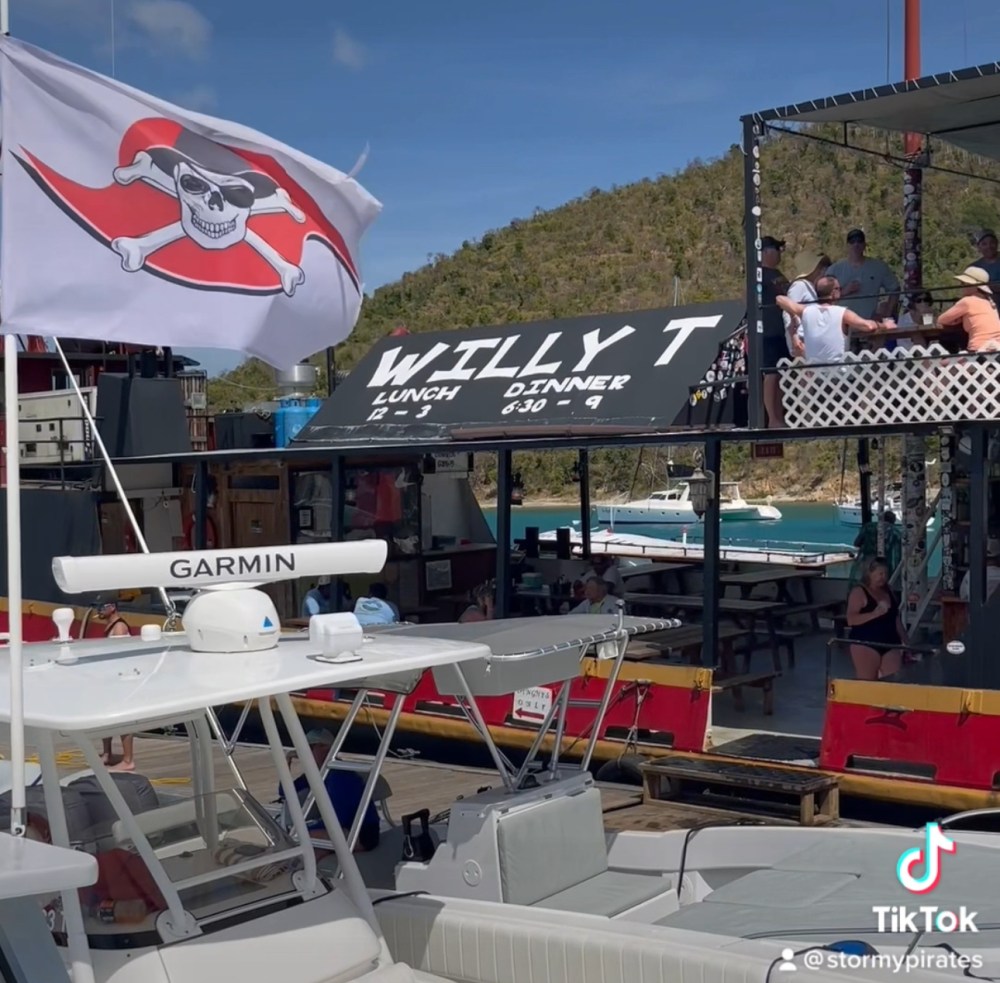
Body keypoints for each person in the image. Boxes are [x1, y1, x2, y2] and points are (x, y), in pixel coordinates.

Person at [278, 728, 380, 852]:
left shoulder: (341, 776)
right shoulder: (317, 773)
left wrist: (306, 829)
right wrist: (286, 763)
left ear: (326, 750)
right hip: (345, 829)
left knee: (302, 840)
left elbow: (338, 819)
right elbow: (285, 791)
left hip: (361, 834)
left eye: (311, 748)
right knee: (304, 844)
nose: (306, 753)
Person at [775, 276, 879, 362]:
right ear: (834, 293)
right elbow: (868, 326)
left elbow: (780, 299)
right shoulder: (843, 313)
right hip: (839, 373)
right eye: (839, 288)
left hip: (816, 373)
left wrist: (793, 317)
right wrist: (882, 325)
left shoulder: (806, 311)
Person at [846, 559, 907, 681]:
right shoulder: (859, 592)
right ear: (869, 573)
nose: (883, 577)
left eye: (885, 574)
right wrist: (875, 614)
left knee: (893, 681)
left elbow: (895, 619)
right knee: (867, 682)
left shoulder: (888, 591)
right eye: (880, 574)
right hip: (866, 643)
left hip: (890, 642)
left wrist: (905, 639)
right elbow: (851, 619)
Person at [827, 228, 900, 321]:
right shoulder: (834, 269)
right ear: (847, 246)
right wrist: (844, 291)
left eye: (859, 241)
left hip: (869, 324)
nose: (856, 245)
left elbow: (895, 289)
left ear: (865, 245)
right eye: (852, 242)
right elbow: (823, 298)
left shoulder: (879, 267)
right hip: (841, 324)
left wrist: (887, 313)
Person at [96, 599, 135, 771]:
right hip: (111, 679)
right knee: (106, 718)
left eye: (101, 607)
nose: (99, 611)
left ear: (112, 608)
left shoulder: (119, 627)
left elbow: (119, 655)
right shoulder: (110, 626)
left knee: (123, 721)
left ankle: (128, 760)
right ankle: (106, 753)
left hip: (121, 679)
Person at [759, 235, 790, 427]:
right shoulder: (759, 275)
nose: (780, 254)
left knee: (779, 374)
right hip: (768, 332)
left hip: (780, 332)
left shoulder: (775, 273)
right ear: (766, 252)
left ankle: (779, 416)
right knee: (771, 374)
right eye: (777, 249)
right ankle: (772, 418)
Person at [935, 266, 1000, 351]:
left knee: (942, 363)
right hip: (997, 348)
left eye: (963, 283)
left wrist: (958, 320)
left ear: (972, 286)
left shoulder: (967, 302)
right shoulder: (989, 302)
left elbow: (941, 319)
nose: (961, 286)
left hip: (979, 349)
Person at [782, 250, 831, 357]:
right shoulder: (799, 286)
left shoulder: (809, 287)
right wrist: (794, 337)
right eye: (819, 267)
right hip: (801, 340)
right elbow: (787, 311)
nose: (822, 270)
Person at [850, 510, 901, 587]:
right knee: (882, 586)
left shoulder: (868, 527)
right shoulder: (894, 531)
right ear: (893, 521)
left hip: (868, 561)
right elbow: (898, 554)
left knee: (866, 585)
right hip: (884, 562)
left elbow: (857, 543)